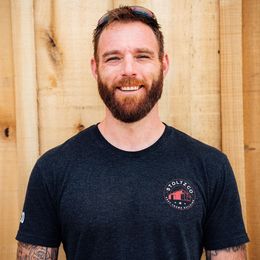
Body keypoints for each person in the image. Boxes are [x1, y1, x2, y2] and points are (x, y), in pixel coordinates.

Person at [16, 5, 249, 260]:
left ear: (164, 64)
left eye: (142, 56)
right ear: (95, 68)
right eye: (113, 58)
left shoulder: (211, 167)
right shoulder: (53, 170)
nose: (129, 70)